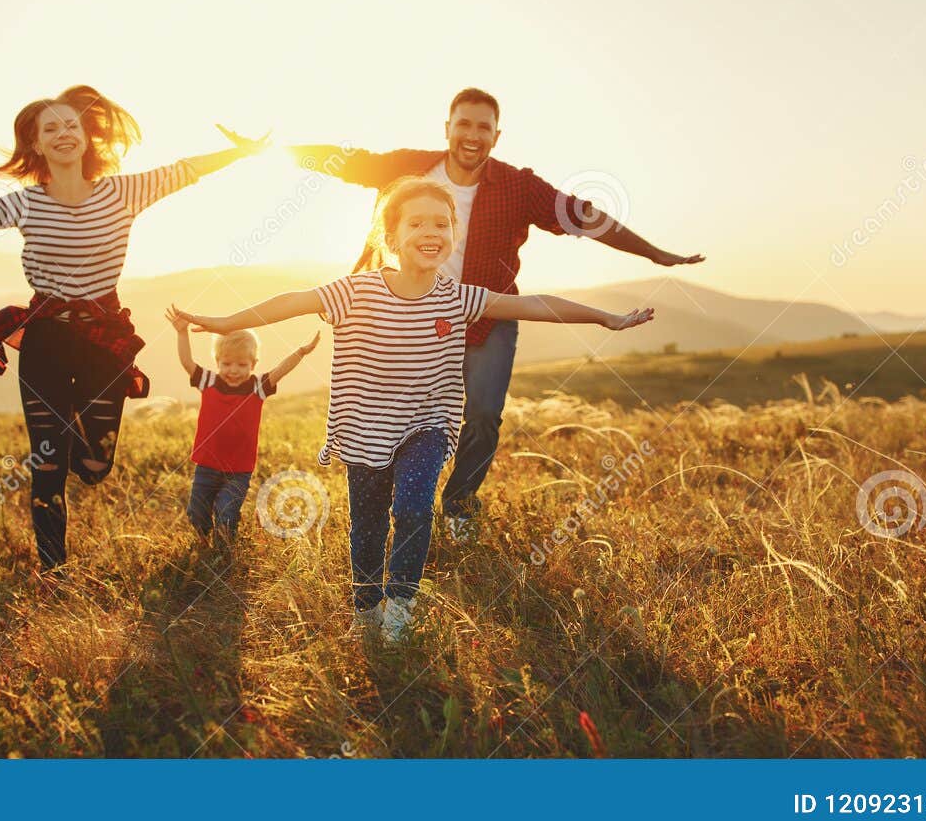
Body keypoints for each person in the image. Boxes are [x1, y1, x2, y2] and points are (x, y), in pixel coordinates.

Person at [165, 176, 653, 643]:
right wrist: (223, 321)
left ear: (452, 238)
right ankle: (366, 608)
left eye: (441, 223)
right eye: (417, 222)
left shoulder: (459, 298)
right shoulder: (355, 291)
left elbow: (536, 304)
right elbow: (292, 301)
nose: (430, 231)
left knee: (415, 508)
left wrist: (603, 316)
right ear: (391, 236)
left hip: (427, 426)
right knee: (369, 524)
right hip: (364, 431)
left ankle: (400, 607)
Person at [0, 84, 268, 576]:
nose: (63, 133)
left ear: (86, 138)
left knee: (94, 467)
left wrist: (244, 150)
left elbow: (187, 170)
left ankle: (68, 451)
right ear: (37, 145)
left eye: (71, 125)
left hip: (103, 342)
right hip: (44, 339)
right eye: (50, 129)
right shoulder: (24, 204)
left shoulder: (123, 192)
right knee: (46, 463)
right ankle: (53, 571)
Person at [285, 88, 702, 542]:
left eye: (483, 127)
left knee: (483, 414)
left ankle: (460, 504)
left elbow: (585, 215)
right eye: (463, 124)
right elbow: (347, 162)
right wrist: (270, 149)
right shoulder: (410, 167)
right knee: (396, 412)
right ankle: (393, 502)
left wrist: (655, 254)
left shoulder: (518, 186)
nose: (472, 135)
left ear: (496, 136)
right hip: (408, 315)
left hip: (488, 313)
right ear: (447, 128)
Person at [168, 316, 318, 542]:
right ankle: (202, 543)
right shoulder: (208, 380)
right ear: (217, 361)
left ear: (253, 364)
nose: (234, 370)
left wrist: (301, 352)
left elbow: (280, 370)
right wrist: (182, 333)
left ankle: (224, 548)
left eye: (241, 365)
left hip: (239, 471)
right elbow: (187, 362)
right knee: (196, 513)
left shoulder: (257, 387)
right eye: (226, 364)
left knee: (226, 512)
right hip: (206, 467)